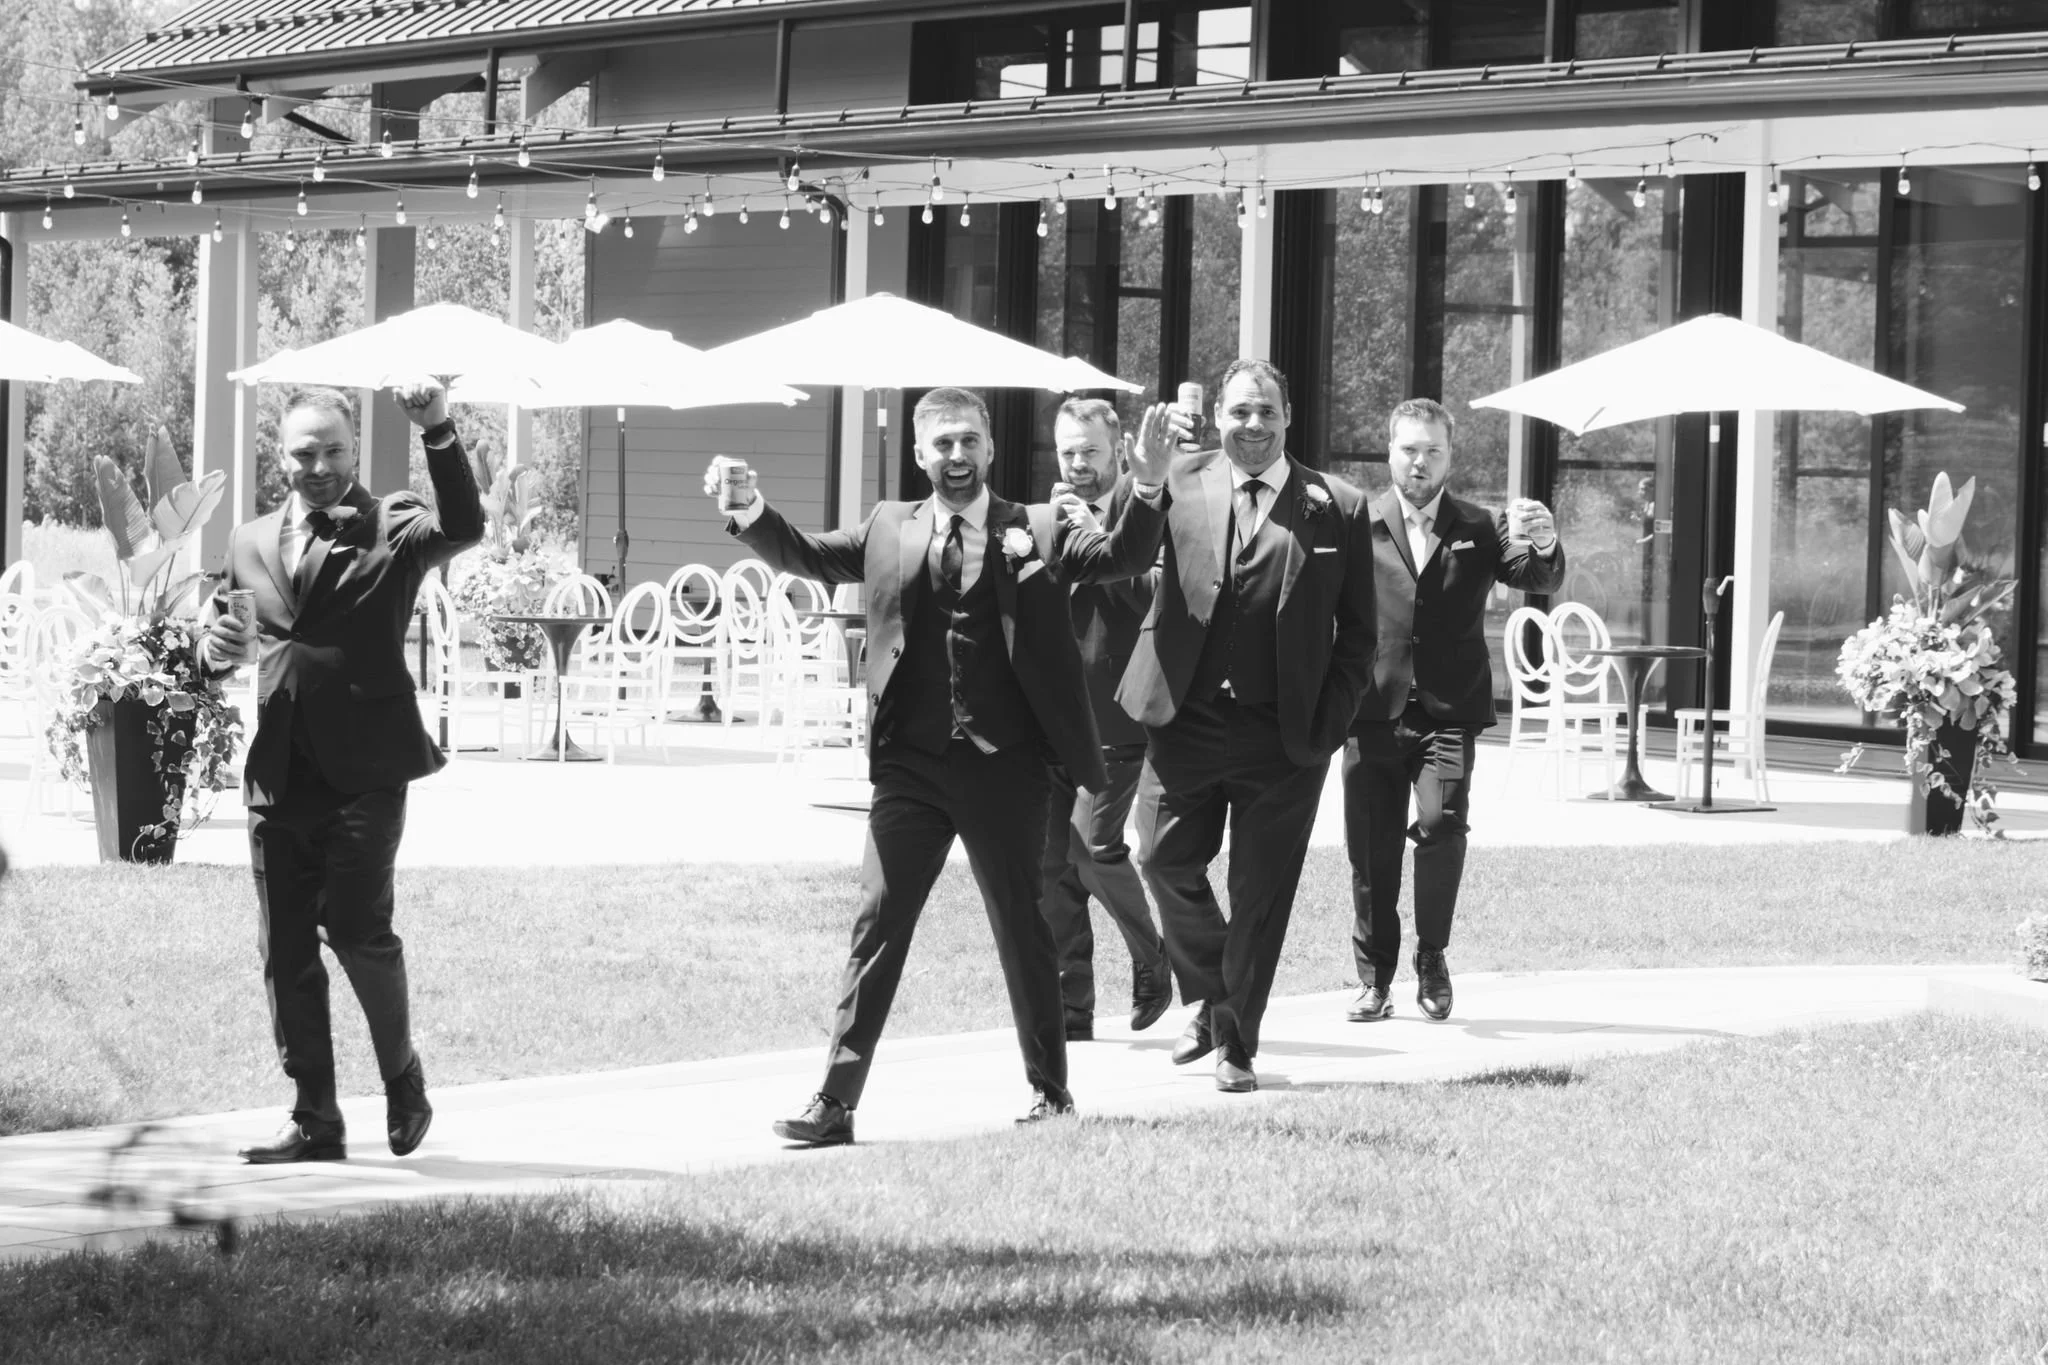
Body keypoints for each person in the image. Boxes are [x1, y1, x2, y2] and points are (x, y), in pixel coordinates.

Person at [712, 385, 1170, 1146]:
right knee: (876, 923)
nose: (956, 457)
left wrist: (1147, 484)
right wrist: (752, 509)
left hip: (1006, 767)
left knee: (1024, 926)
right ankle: (835, 1100)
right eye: (942, 444)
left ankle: (1050, 1091)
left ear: (990, 449)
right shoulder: (889, 527)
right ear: (920, 454)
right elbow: (806, 555)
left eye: (968, 442)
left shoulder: (1040, 528)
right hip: (912, 768)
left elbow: (1124, 554)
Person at [200, 381, 483, 1164]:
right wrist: (212, 651)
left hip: (366, 769)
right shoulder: (248, 539)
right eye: (303, 452)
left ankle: (403, 1076)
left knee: (357, 930)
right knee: (286, 948)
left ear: (353, 449)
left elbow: (464, 523)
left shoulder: (389, 524)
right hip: (279, 773)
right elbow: (226, 631)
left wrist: (435, 427)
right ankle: (316, 1117)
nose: (318, 465)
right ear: (280, 455)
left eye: (332, 450)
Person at [1119, 359, 1377, 1094]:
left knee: (1261, 895)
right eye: (1238, 412)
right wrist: (1142, 479)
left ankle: (1236, 1043)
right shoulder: (1178, 475)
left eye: (1265, 411)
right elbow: (1126, 554)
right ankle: (1209, 993)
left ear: (1289, 415)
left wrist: (1329, 723)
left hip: (1286, 738)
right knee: (1163, 860)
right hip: (1184, 719)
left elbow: (1361, 633)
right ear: (1220, 417)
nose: (1252, 425)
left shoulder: (1340, 505)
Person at [1343, 397, 1565, 1025]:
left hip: (1447, 711)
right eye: (1410, 448)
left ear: (1449, 456)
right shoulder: (1356, 521)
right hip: (1370, 711)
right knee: (1370, 850)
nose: (1420, 460)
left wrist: (1544, 544)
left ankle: (1432, 958)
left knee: (1441, 827)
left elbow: (1536, 577)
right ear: (1390, 451)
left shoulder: (1478, 524)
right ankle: (1374, 978)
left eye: (1433, 450)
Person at [1039, 398, 1171, 1042]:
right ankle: (1072, 1010)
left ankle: (1152, 957)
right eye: (1067, 452)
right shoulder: (1046, 517)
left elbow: (1159, 595)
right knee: (1052, 870)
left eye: (1089, 451)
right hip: (1054, 716)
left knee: (1093, 847)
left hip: (1120, 716)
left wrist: (1095, 532)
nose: (1078, 463)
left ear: (1118, 449)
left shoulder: (1145, 507)